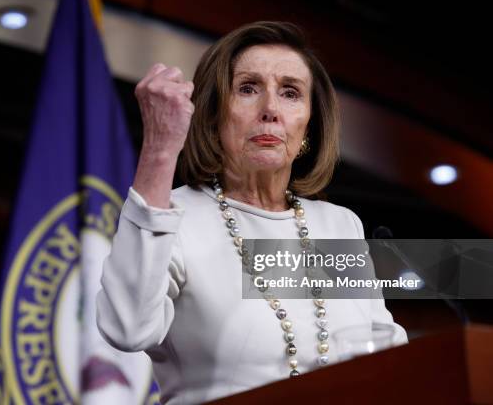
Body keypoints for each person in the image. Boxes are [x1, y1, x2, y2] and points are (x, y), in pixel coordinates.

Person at [96, 21, 408, 404]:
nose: (270, 110)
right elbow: (126, 328)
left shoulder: (338, 223)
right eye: (247, 88)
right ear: (214, 115)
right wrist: (160, 150)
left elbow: (388, 352)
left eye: (291, 93)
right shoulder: (172, 214)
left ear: (309, 123)